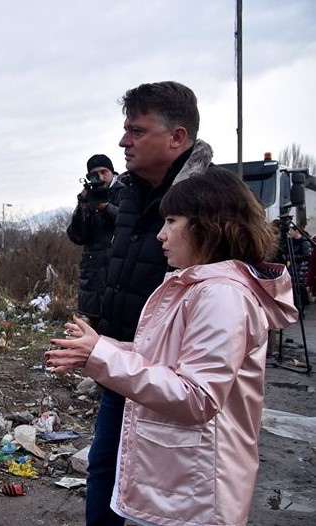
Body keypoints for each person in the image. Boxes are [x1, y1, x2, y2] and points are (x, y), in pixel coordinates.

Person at [46, 170, 297, 525]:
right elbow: (166, 360)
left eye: (171, 220)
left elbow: (198, 396)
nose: (161, 234)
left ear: (209, 225)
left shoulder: (220, 295)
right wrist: (99, 347)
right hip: (183, 484)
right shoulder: (197, 287)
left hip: (197, 495)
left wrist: (101, 357)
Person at [84, 81, 223, 525]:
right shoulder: (125, 192)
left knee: (164, 495)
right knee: (104, 469)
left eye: (137, 131)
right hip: (119, 361)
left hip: (172, 381)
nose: (124, 141)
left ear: (177, 137)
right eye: (125, 130)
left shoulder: (210, 202)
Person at [66, 154, 124, 324]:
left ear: (112, 172)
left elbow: (131, 222)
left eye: (104, 171)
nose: (100, 177)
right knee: (94, 330)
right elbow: (77, 236)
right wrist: (82, 204)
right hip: (93, 274)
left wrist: (107, 209)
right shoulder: (89, 197)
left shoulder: (125, 190)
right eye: (94, 173)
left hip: (118, 269)